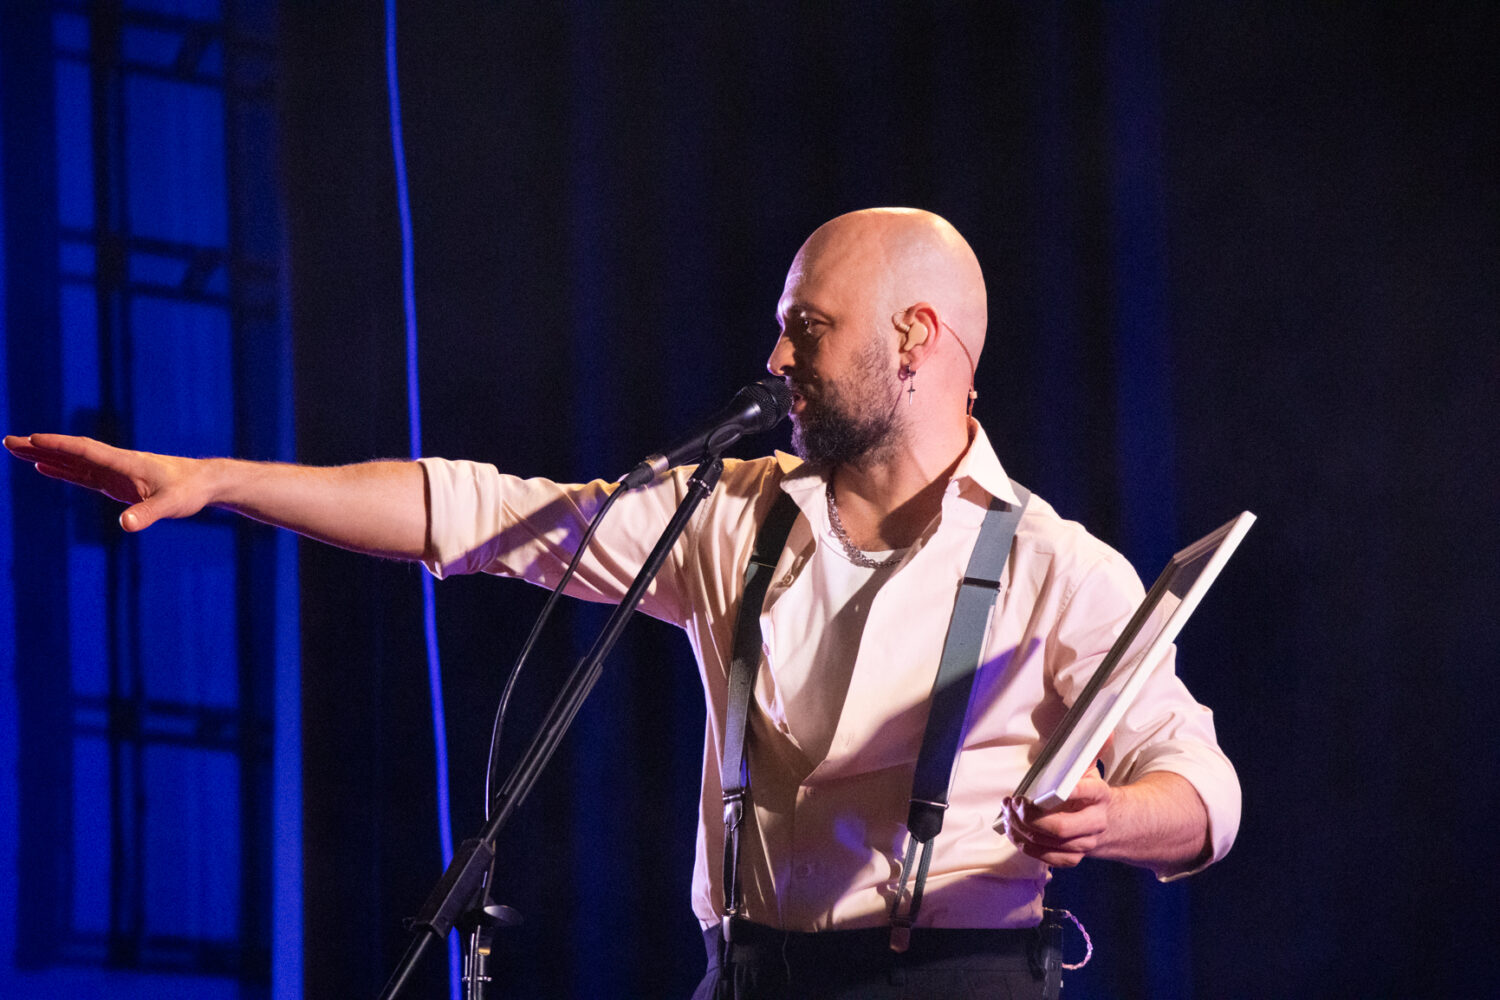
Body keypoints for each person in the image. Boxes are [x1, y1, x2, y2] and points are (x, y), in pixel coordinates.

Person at [6, 208, 1239, 999]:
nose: (777, 361)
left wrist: (1112, 817)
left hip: (954, 980)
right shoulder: (734, 514)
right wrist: (222, 480)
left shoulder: (1057, 568)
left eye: (806, 329)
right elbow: (479, 514)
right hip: (745, 975)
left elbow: (1203, 793)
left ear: (915, 338)